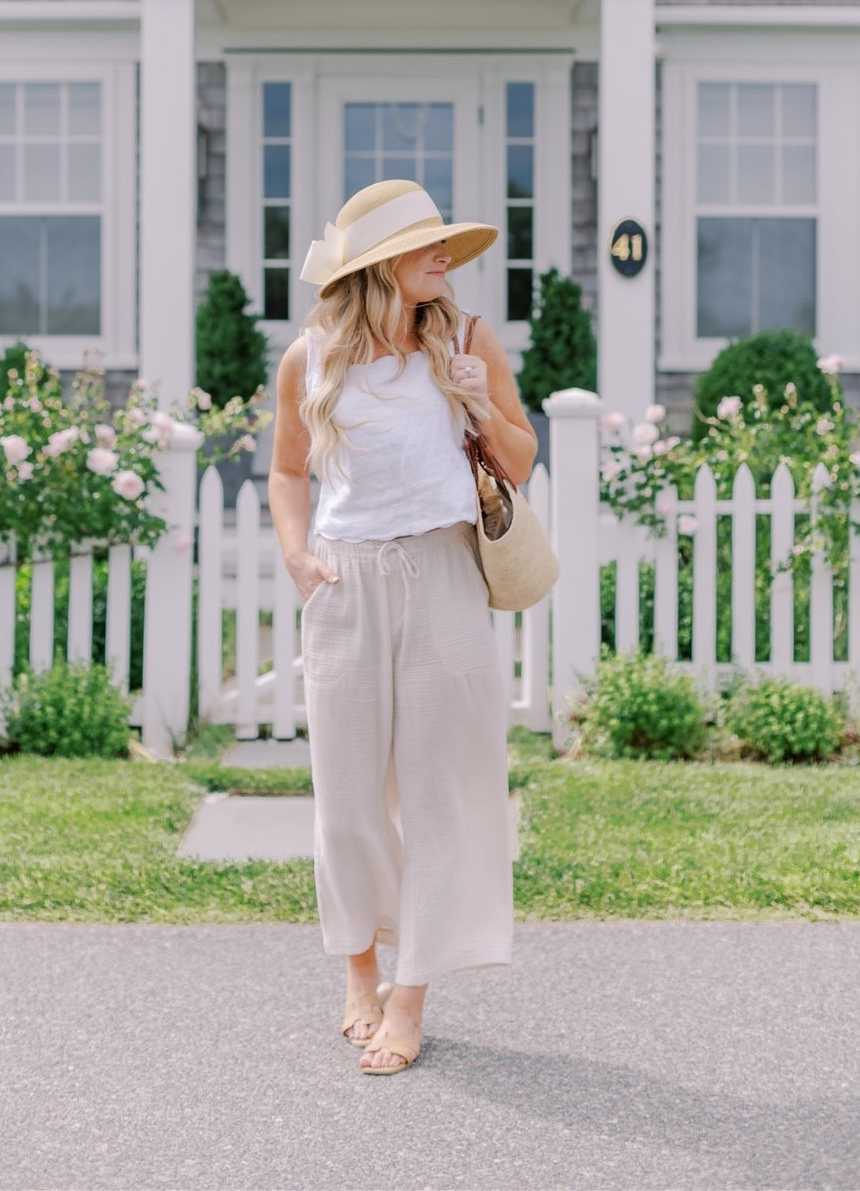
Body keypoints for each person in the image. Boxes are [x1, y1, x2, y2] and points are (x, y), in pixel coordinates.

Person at [268, 176, 537, 1074]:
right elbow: (289, 471)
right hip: (347, 582)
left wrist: (480, 400)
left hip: (444, 572)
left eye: (445, 246)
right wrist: (300, 559)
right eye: (429, 246)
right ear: (380, 266)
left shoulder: (464, 338)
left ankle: (411, 993)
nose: (446, 258)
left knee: (437, 795)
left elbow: (522, 456)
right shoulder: (310, 359)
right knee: (346, 798)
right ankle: (358, 973)